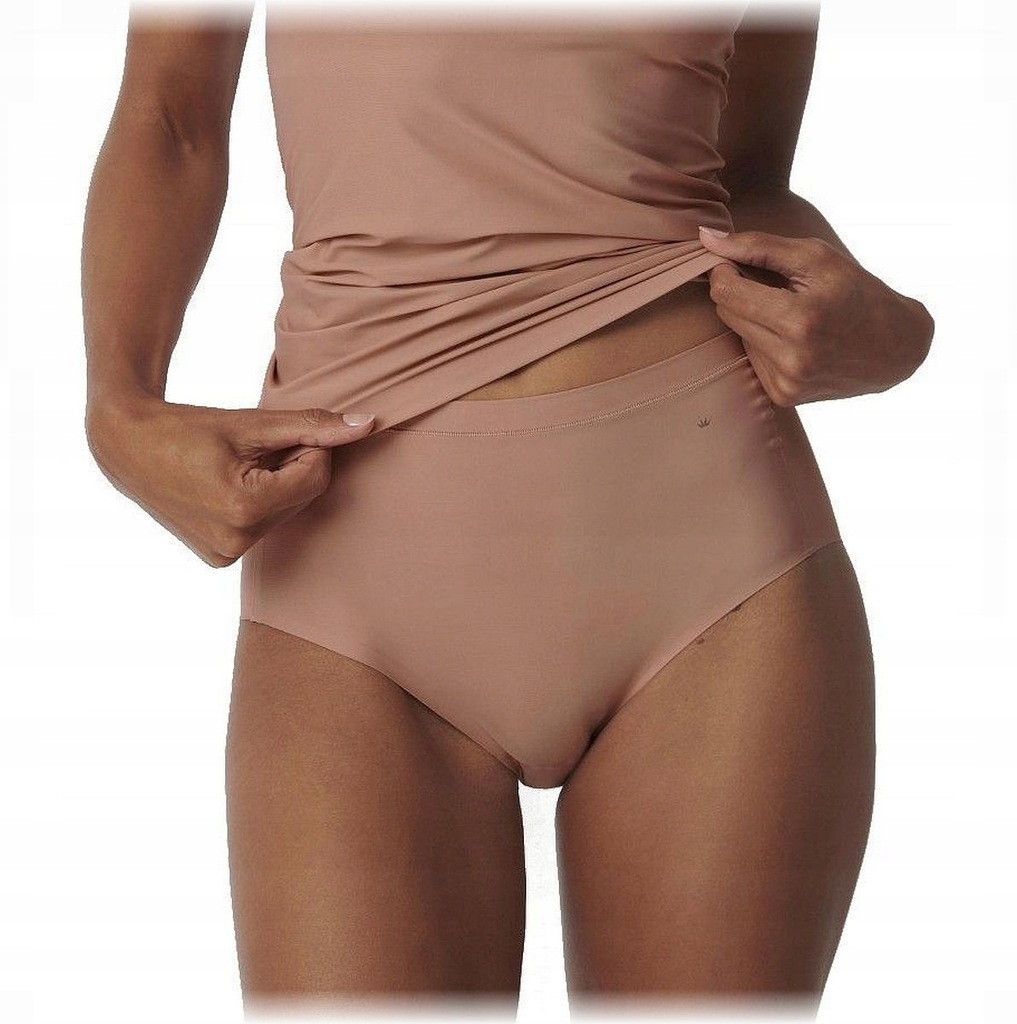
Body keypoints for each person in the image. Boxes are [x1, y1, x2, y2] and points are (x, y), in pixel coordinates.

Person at [82, 0, 934, 1017]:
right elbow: (171, 114)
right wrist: (118, 409)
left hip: (709, 549)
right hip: (357, 565)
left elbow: (740, 183)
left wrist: (896, 336)